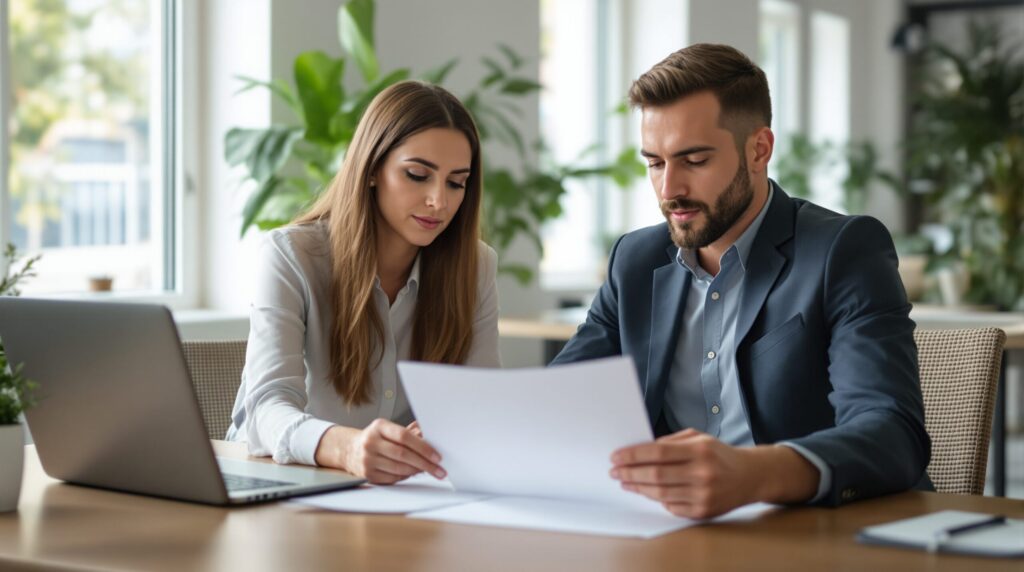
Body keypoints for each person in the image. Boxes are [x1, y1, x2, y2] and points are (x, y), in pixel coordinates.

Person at [551, 44, 931, 518]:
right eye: (654, 162)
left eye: (694, 160)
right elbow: (556, 400)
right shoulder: (636, 260)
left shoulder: (843, 251)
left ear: (759, 149)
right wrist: (444, 440)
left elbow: (892, 432)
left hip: (818, 529)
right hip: (672, 534)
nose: (669, 190)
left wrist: (753, 475)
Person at [227, 81, 501, 485]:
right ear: (372, 169)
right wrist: (348, 448)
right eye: (417, 175)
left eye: (456, 182)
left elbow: (483, 404)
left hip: (399, 498)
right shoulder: (290, 256)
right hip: (279, 484)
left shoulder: (475, 266)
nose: (439, 201)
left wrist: (451, 430)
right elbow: (266, 410)